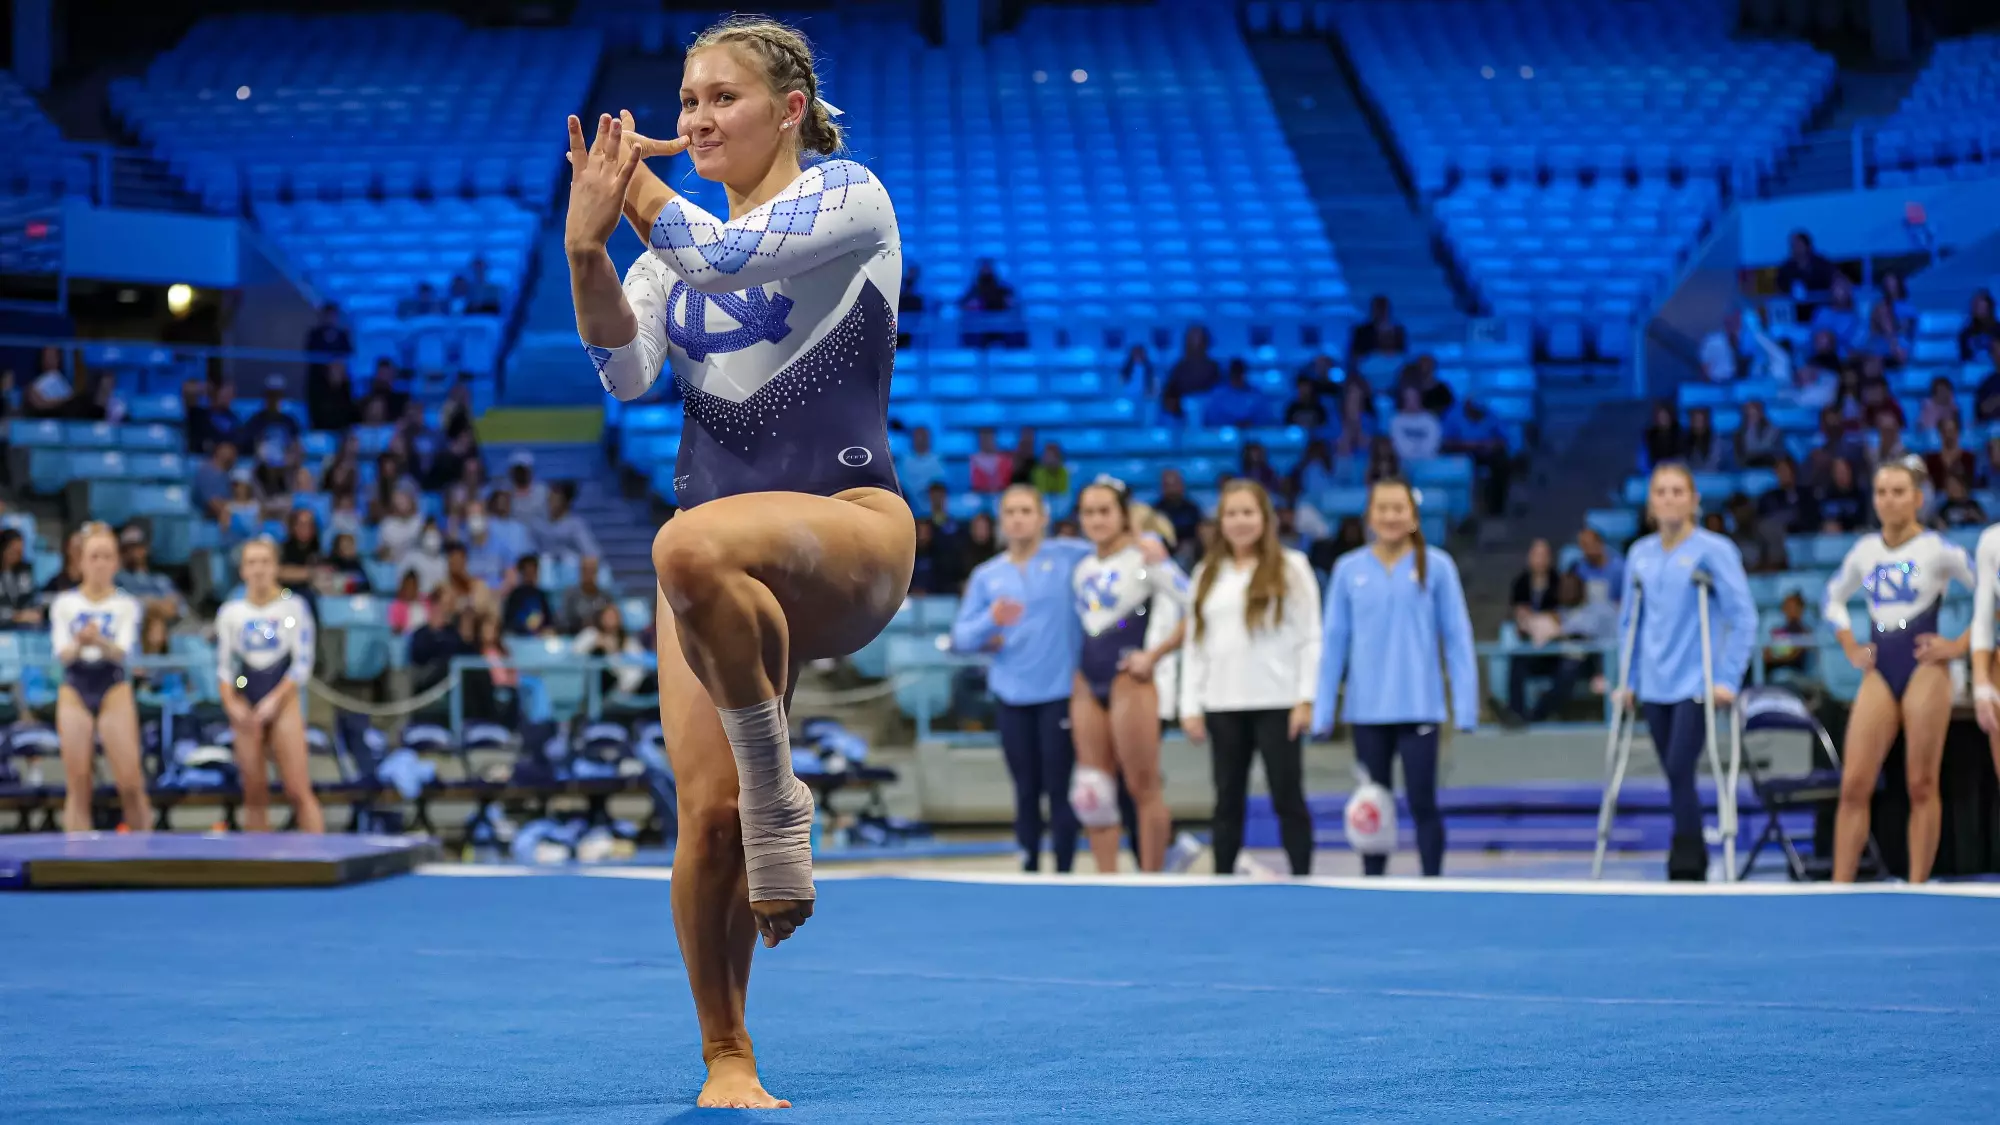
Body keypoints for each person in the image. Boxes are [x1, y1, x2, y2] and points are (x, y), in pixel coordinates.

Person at [564, 17, 914, 1109]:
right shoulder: (669, 266)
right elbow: (623, 374)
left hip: (843, 530)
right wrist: (584, 250)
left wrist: (630, 203)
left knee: (683, 538)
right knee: (701, 819)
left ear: (789, 109)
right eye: (684, 103)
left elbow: (719, 253)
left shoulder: (848, 197)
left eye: (721, 98)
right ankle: (727, 1056)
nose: (694, 120)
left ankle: (778, 796)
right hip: (709, 576)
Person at [1314, 479, 1477, 876]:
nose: (1390, 516)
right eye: (1382, 509)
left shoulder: (1437, 567)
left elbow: (1457, 638)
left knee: (1423, 801)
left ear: (1413, 516)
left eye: (1398, 508)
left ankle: (1432, 883)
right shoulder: (1348, 570)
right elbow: (1334, 643)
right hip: (1366, 711)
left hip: (1420, 705)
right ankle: (1373, 884)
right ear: (1369, 516)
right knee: (1373, 803)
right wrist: (1322, 711)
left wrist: (1466, 705)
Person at [1823, 460, 1975, 884]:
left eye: (1898, 492)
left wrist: (1959, 646)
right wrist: (1849, 643)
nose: (1888, 500)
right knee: (1854, 783)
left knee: (1921, 782)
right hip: (1881, 665)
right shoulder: (1864, 551)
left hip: (1925, 663)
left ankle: (1918, 884)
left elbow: (1990, 591)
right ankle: (1839, 885)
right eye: (1881, 492)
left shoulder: (1938, 550)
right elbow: (1832, 598)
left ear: (1918, 498)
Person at [1614, 464, 1757, 881]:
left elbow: (1743, 617)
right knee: (1674, 774)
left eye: (1679, 491)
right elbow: (1630, 622)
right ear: (1650, 503)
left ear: (1695, 500)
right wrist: (1627, 679)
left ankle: (1688, 858)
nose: (1670, 499)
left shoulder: (1715, 550)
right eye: (1661, 492)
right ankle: (1688, 849)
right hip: (1654, 684)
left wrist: (1728, 677)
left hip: (1698, 682)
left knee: (1679, 767)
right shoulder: (1639, 554)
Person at [1178, 480, 1320, 876]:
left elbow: (1310, 638)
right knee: (1226, 799)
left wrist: (1306, 698)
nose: (1240, 522)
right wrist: (1188, 705)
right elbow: (1194, 644)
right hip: (1223, 703)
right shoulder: (1207, 573)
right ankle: (1222, 879)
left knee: (1286, 796)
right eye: (1231, 514)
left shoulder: (1293, 568)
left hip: (1277, 701)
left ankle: (1302, 877)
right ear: (1220, 522)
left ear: (1265, 519)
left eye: (1247, 513)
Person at [950, 485, 1095, 873]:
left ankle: (1065, 870)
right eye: (1010, 511)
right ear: (1001, 520)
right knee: (1025, 788)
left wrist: (1148, 542)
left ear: (1043, 516)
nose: (1018, 518)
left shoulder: (1071, 557)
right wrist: (990, 621)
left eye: (1026, 510)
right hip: (1011, 695)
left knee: (1059, 788)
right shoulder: (987, 575)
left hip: (1059, 693)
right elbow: (960, 638)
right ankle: (1029, 865)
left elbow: (1116, 548)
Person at [1068, 478, 1188, 873]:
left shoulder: (1145, 557)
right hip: (1089, 679)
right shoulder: (1083, 568)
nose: (1097, 519)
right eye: (1089, 512)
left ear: (1123, 515)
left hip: (1130, 681)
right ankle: (1107, 881)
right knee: (1093, 791)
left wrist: (1153, 655)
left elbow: (1196, 607)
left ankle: (1153, 878)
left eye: (1105, 511)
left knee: (1142, 784)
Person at [215, 538, 325, 834]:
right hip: (246, 696)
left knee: (297, 788)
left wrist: (275, 700)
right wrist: (232, 702)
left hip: (282, 697)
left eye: (265, 562)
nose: (259, 569)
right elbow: (227, 668)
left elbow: (302, 662)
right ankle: (256, 869)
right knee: (253, 792)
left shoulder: (293, 608)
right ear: (242, 571)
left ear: (276, 567)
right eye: (252, 563)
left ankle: (317, 859)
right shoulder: (231, 613)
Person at [49, 523, 149, 833]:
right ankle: (77, 859)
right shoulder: (65, 603)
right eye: (94, 557)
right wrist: (81, 642)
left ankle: (146, 853)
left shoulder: (125, 604)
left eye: (107, 556)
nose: (100, 563)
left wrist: (98, 642)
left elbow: (123, 650)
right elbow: (61, 653)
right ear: (81, 562)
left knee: (130, 780)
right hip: (76, 686)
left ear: (116, 563)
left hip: (113, 685)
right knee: (78, 782)